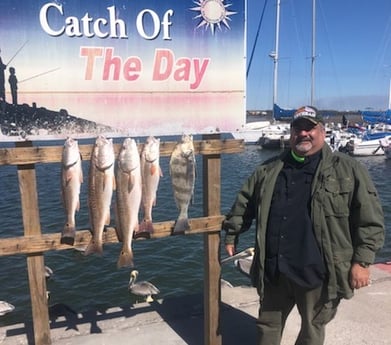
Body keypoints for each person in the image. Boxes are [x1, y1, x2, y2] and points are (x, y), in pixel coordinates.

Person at [223, 105, 385, 345]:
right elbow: (245, 202)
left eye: (309, 128)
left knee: (312, 330)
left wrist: (362, 262)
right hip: (274, 268)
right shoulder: (268, 169)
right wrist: (232, 233)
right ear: (291, 133)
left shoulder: (349, 169)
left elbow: (370, 220)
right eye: (298, 129)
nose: (303, 134)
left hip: (317, 271)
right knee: (266, 327)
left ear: (321, 131)